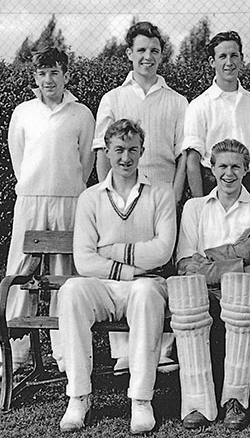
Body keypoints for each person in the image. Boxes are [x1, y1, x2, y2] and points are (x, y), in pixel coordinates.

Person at [57, 119, 176, 434]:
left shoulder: (161, 193)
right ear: (107, 152)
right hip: (106, 288)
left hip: (146, 287)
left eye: (133, 150)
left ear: (142, 151)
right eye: (119, 150)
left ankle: (141, 400)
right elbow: (84, 260)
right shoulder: (91, 197)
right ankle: (78, 396)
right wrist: (131, 268)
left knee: (147, 293)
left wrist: (109, 249)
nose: (126, 158)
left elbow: (162, 251)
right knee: (71, 290)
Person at [93, 21, 188, 372]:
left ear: (161, 55)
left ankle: (161, 349)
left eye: (154, 50)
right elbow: (102, 151)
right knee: (122, 269)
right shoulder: (113, 99)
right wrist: (109, 194)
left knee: (157, 270)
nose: (147, 57)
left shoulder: (178, 101)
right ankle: (124, 352)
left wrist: (173, 197)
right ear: (129, 54)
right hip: (119, 198)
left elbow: (183, 156)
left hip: (160, 196)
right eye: (141, 50)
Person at [0, 47, 95, 380]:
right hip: (31, 199)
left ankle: (66, 354)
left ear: (66, 74)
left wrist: (67, 189)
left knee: (64, 275)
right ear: (34, 78)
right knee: (20, 271)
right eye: (42, 74)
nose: (48, 80)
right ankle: (13, 354)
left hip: (69, 200)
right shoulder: (23, 112)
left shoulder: (81, 113)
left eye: (54, 72)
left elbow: (85, 163)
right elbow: (18, 159)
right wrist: (34, 186)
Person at [174, 139, 250, 430]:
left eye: (236, 166)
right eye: (222, 166)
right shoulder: (195, 208)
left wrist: (210, 260)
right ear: (211, 167)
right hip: (203, 294)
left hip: (245, 295)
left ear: (247, 169)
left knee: (239, 292)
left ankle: (235, 401)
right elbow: (184, 267)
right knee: (189, 294)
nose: (229, 173)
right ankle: (197, 403)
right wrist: (240, 255)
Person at [183, 31, 250, 198]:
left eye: (234, 55)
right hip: (212, 186)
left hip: (249, 184)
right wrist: (199, 202)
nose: (229, 62)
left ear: (241, 58)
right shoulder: (199, 105)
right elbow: (192, 160)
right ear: (212, 62)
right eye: (222, 56)